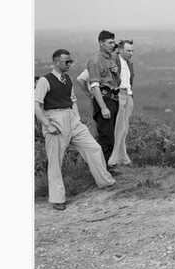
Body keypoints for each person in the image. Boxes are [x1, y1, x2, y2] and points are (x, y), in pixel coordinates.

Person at [34, 49, 116, 210]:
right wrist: (47, 124)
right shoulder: (45, 80)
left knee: (93, 147)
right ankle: (57, 198)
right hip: (54, 118)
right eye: (66, 62)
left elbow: (73, 100)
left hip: (71, 118)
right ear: (56, 62)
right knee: (55, 161)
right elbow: (36, 104)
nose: (69, 64)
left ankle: (105, 181)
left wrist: (77, 119)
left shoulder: (68, 79)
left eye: (70, 61)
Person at [86, 30, 121, 164]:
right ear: (101, 43)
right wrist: (103, 107)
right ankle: (102, 170)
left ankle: (108, 167)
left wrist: (116, 73)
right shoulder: (95, 61)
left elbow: (117, 83)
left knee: (112, 137)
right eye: (110, 42)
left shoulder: (110, 59)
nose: (113, 45)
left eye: (113, 42)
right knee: (105, 138)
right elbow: (95, 86)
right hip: (104, 99)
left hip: (113, 98)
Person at [107, 39, 135, 167]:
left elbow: (129, 79)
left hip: (128, 94)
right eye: (128, 50)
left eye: (132, 50)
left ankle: (123, 157)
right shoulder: (114, 61)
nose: (131, 53)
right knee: (120, 128)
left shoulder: (129, 64)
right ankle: (113, 159)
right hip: (120, 94)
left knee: (125, 129)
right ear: (121, 50)